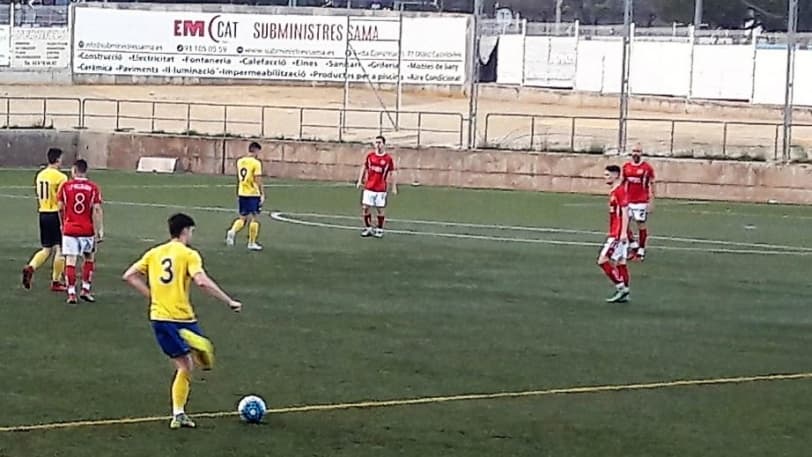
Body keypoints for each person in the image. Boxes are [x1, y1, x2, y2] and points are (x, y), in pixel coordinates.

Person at [122, 213, 243, 430]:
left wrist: (152, 296)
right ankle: (193, 343)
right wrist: (229, 300)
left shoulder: (154, 253)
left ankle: (178, 414)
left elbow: (129, 275)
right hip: (182, 318)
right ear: (185, 230)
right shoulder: (189, 255)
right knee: (195, 363)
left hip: (160, 317)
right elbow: (202, 282)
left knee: (185, 366)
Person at [57, 159, 103, 305]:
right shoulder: (93, 187)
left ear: (74, 170)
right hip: (87, 229)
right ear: (85, 170)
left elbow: (59, 207)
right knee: (89, 258)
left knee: (70, 261)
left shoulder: (65, 187)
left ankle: (71, 293)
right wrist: (99, 229)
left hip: (70, 229)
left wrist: (62, 223)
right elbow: (96, 209)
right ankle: (86, 289)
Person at [22, 147, 68, 292]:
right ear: (58, 159)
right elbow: (62, 200)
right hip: (55, 214)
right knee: (61, 249)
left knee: (46, 249)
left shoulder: (40, 175)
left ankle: (31, 266)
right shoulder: (61, 177)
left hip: (43, 213)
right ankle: (56, 281)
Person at [598, 165, 631, 303]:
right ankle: (625, 294)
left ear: (616, 175)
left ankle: (622, 288)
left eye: (608, 175)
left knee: (603, 260)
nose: (605, 178)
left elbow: (625, 211)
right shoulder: (614, 191)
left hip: (617, 234)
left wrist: (623, 233)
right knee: (620, 262)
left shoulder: (619, 191)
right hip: (618, 232)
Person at [225, 141, 264, 251]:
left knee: (242, 217)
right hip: (253, 193)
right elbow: (257, 179)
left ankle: (232, 231)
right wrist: (262, 193)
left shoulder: (240, 161)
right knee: (254, 218)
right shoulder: (256, 163)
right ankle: (251, 242)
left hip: (242, 192)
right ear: (256, 150)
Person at [356, 135, 397, 238]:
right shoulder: (370, 157)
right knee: (365, 208)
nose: (377, 145)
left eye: (380, 143)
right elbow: (364, 168)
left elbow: (392, 172)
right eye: (376, 142)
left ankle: (379, 229)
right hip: (369, 187)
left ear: (384, 144)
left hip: (380, 189)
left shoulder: (388, 159)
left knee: (380, 209)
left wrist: (394, 186)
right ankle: (368, 228)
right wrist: (360, 180)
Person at [622, 144, 655, 261]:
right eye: (634, 151)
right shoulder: (626, 167)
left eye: (638, 151)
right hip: (628, 200)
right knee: (623, 224)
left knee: (641, 224)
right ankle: (633, 246)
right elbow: (623, 182)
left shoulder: (646, 168)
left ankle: (641, 250)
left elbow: (651, 183)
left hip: (641, 201)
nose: (636, 153)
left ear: (641, 153)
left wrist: (651, 200)